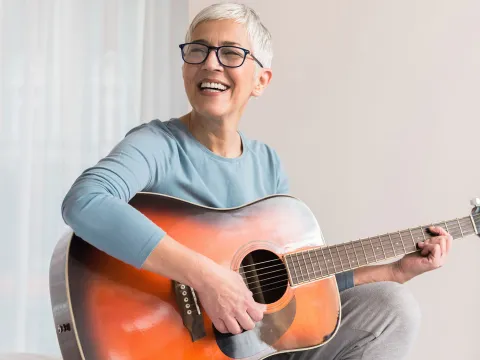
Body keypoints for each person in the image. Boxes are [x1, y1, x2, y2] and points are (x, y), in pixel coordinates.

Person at [61, 3, 453, 359]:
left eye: (230, 53)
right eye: (198, 50)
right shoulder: (156, 144)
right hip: (178, 348)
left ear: (261, 80)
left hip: (255, 347)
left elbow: (291, 283)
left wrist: (394, 271)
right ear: (185, 68)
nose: (211, 64)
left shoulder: (267, 164)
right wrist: (207, 277)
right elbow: (85, 201)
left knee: (391, 306)